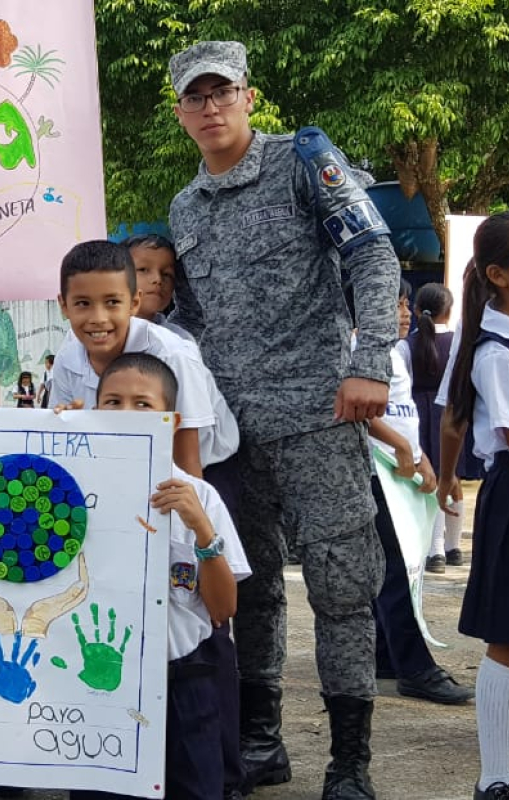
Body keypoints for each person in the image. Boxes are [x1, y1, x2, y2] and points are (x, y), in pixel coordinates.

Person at [166, 41, 399, 798]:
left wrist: (371, 362)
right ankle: (263, 741)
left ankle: (350, 763)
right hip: (234, 431)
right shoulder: (184, 207)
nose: (210, 107)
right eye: (195, 98)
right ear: (180, 112)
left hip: (318, 414)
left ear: (249, 97)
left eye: (221, 93)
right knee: (252, 585)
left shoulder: (303, 164)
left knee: (340, 585)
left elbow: (372, 254)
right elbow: (193, 320)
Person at [69, 352, 250, 800]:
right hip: (101, 688)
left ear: (171, 420)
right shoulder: (72, 489)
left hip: (186, 684)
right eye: (112, 403)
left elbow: (223, 609)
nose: (127, 414)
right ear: (94, 410)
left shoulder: (200, 498)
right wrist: (57, 436)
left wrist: (201, 530)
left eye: (143, 404)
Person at [355, 281, 473, 705]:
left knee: (394, 565)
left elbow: (403, 415)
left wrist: (421, 455)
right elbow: (355, 407)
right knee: (396, 570)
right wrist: (404, 449)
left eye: (406, 304)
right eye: (395, 305)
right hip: (375, 472)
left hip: (402, 470)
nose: (405, 312)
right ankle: (416, 668)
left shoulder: (397, 351)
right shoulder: (357, 349)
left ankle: (385, 653)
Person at [51, 241, 239, 478]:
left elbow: (188, 462)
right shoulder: (68, 359)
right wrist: (67, 424)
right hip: (127, 465)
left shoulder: (172, 356)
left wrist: (189, 513)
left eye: (112, 303)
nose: (98, 318)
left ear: (134, 303)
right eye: (83, 304)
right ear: (64, 306)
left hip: (202, 469)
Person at [436, 212, 509, 800]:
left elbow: (454, 424)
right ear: (498, 274)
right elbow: (468, 423)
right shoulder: (494, 352)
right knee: (505, 635)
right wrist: (443, 480)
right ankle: (496, 774)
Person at [399, 282, 462, 572]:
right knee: (454, 477)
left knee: (433, 480)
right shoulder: (458, 343)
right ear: (448, 311)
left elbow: (402, 384)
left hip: (419, 415)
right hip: (451, 414)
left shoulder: (405, 346)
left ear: (415, 309)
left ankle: (434, 550)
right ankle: (454, 547)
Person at [123, 234, 195, 343]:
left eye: (166, 274)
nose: (158, 279)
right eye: (143, 269)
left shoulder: (180, 340)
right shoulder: (102, 333)